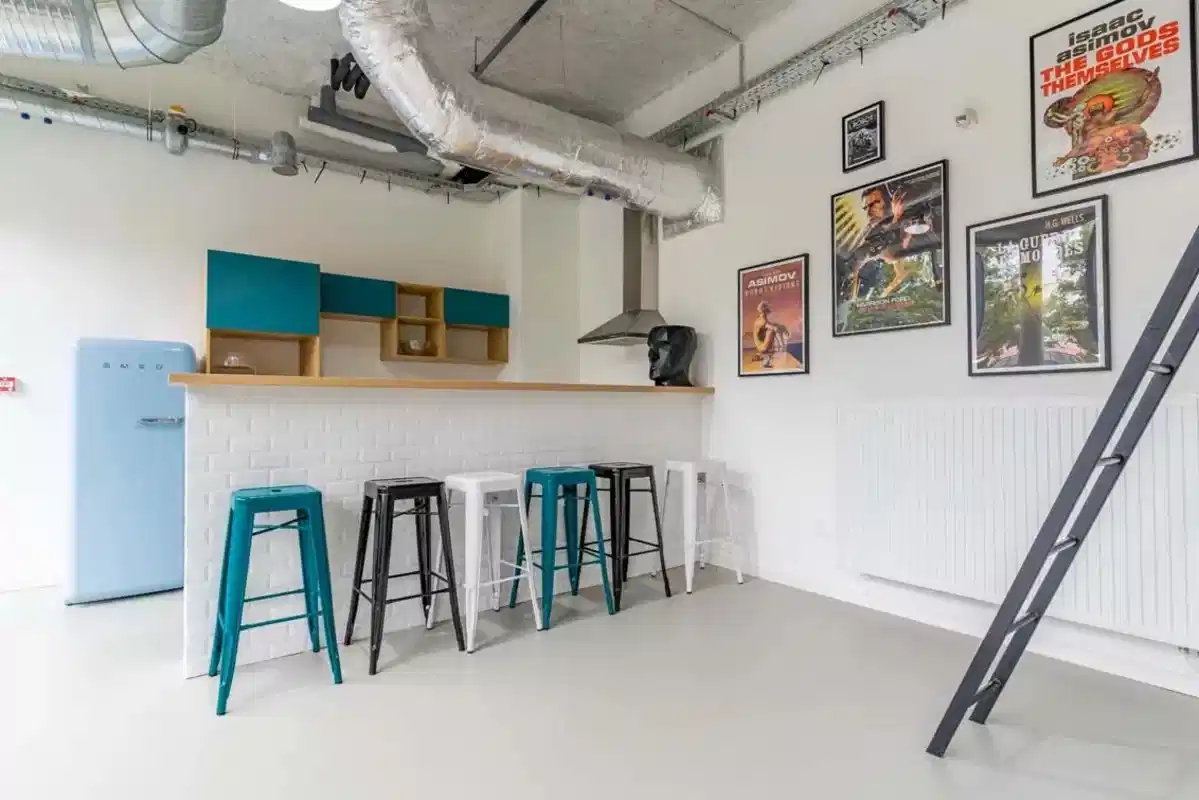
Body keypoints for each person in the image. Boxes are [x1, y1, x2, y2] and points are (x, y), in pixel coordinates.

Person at [753, 301, 790, 369]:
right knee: (772, 330)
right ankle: (782, 347)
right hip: (762, 347)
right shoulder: (761, 320)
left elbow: (773, 325)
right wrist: (783, 329)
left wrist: (783, 327)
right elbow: (774, 328)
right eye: (767, 310)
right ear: (764, 311)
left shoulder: (763, 319)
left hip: (763, 346)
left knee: (775, 328)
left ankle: (781, 348)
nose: (768, 312)